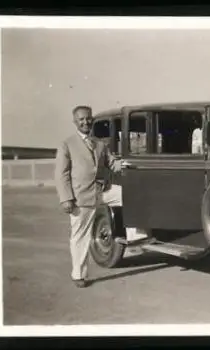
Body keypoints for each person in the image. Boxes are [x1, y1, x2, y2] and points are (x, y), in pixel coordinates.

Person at [54, 105, 146, 288]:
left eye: (88, 118)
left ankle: (137, 235)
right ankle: (78, 274)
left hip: (102, 192)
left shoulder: (99, 143)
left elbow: (113, 163)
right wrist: (66, 199)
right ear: (75, 122)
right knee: (81, 235)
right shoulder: (67, 144)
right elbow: (60, 174)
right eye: (81, 119)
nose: (85, 122)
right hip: (80, 197)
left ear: (92, 120)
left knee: (132, 195)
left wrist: (131, 164)